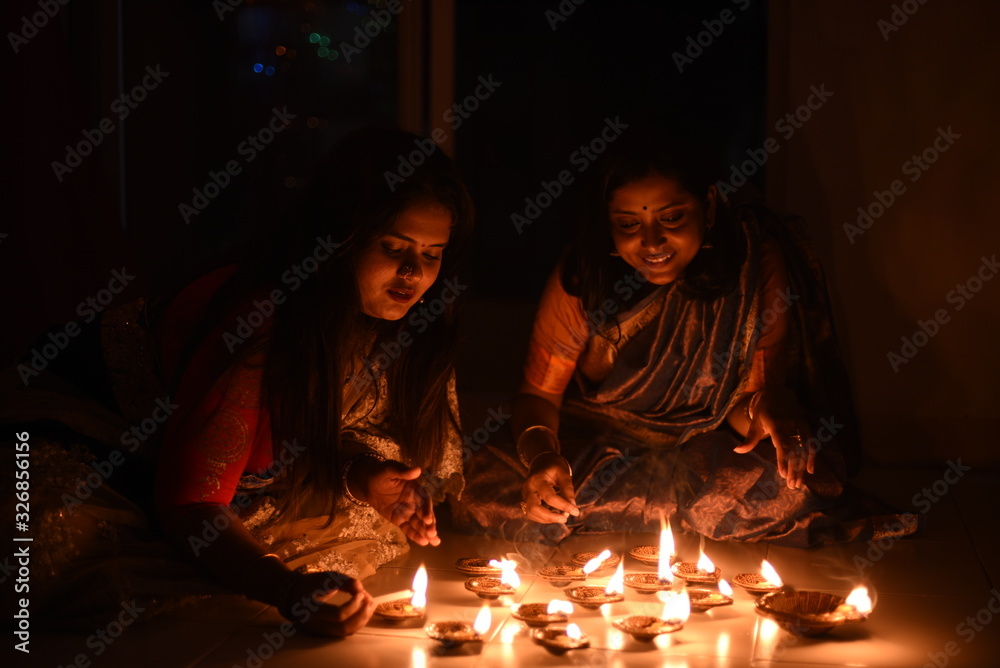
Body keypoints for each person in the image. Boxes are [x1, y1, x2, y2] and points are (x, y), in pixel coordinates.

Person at [1, 128, 474, 634]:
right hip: (85, 439)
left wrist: (360, 476)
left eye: (431, 254)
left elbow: (305, 430)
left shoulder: (393, 321)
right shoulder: (262, 323)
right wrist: (285, 591)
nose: (412, 272)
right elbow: (191, 502)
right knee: (45, 558)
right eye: (392, 246)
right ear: (341, 238)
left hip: (206, 465)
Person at [454, 129, 914, 547]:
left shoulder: (752, 264)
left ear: (709, 206)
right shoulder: (585, 275)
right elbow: (538, 396)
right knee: (480, 487)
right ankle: (671, 515)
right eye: (629, 224)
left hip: (704, 447)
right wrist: (541, 459)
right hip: (594, 440)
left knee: (789, 488)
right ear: (608, 222)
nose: (652, 242)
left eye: (672, 218)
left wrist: (766, 408)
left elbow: (745, 405)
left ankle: (621, 514)